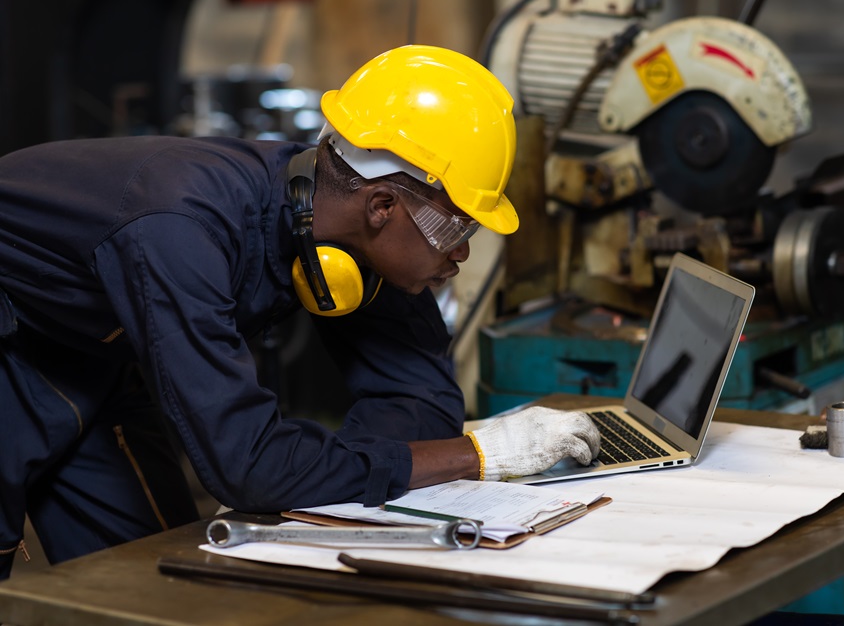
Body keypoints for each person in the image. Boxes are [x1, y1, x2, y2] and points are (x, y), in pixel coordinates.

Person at [0, 45, 600, 578]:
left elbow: (417, 404)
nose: (462, 251)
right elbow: (247, 467)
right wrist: (480, 456)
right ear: (383, 204)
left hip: (94, 352)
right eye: (456, 224)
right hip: (14, 346)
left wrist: (350, 491)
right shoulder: (180, 229)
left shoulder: (347, 226)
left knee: (149, 582)